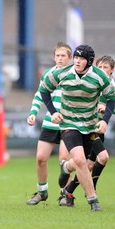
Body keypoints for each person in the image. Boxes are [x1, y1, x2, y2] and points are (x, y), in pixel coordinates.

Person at [39, 44, 115, 211]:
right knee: (81, 160)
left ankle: (66, 167)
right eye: (75, 57)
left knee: (83, 163)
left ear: (89, 61)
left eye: (81, 58)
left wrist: (105, 121)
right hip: (68, 124)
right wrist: (52, 112)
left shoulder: (100, 76)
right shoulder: (62, 73)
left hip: (89, 126)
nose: (77, 61)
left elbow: (112, 98)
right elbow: (44, 90)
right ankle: (93, 200)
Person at [58, 55, 114, 207]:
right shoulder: (92, 79)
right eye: (100, 67)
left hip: (99, 130)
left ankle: (68, 189)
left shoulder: (109, 86)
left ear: (111, 71)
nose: (102, 70)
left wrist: (107, 113)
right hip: (86, 128)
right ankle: (91, 192)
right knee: (100, 158)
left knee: (86, 164)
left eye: (106, 68)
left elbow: (112, 104)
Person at [26, 42, 72, 205]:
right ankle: (42, 191)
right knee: (40, 158)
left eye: (63, 56)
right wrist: (33, 113)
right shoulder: (48, 74)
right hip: (50, 123)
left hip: (68, 124)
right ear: (54, 57)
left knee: (64, 160)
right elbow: (40, 95)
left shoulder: (74, 75)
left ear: (70, 58)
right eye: (57, 55)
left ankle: (66, 194)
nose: (60, 58)